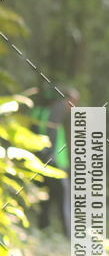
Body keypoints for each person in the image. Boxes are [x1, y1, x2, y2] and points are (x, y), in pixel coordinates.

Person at [33, 86, 80, 236]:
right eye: (73, 101)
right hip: (55, 162)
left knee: (45, 196)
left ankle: (43, 228)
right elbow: (51, 133)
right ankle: (69, 233)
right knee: (64, 197)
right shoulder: (58, 108)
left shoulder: (39, 112)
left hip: (40, 161)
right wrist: (51, 156)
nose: (73, 106)